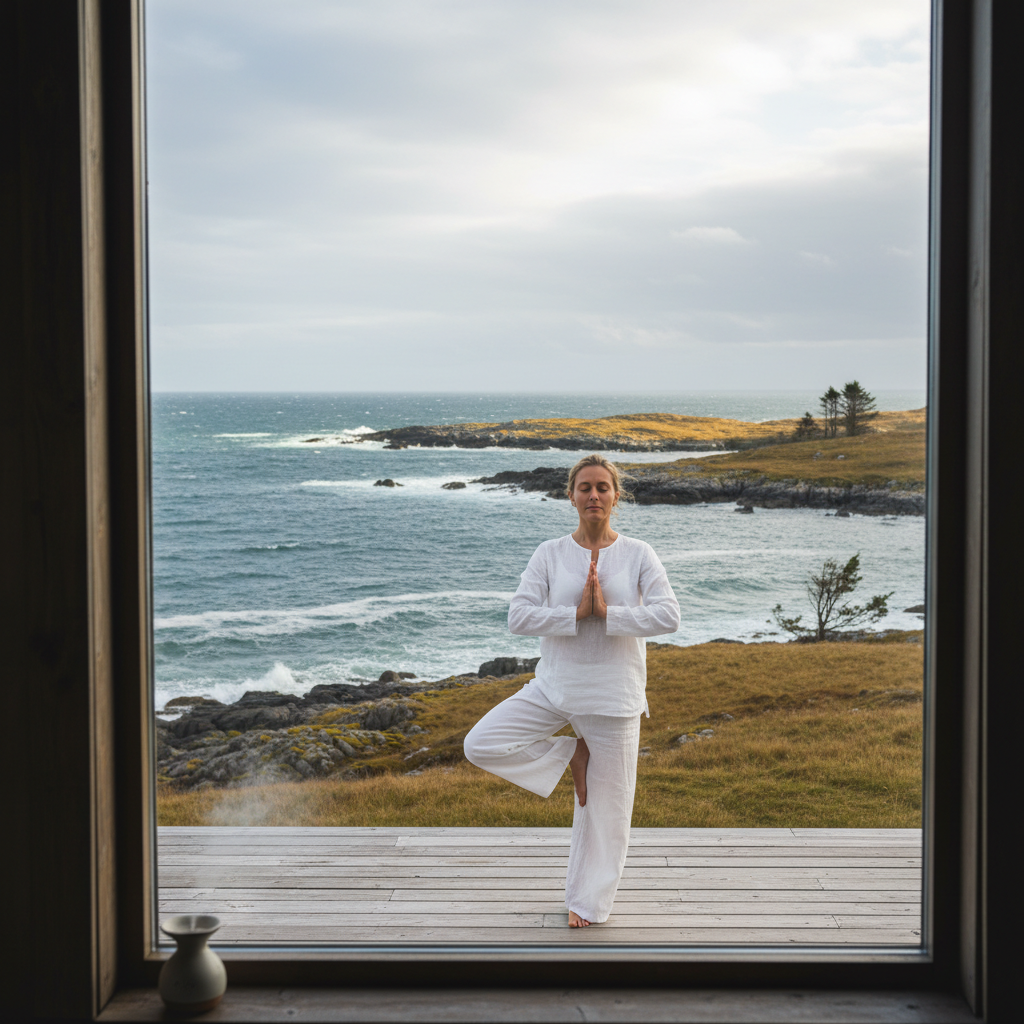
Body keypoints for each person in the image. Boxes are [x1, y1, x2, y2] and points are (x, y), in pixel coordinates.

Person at [463, 454, 680, 927]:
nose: (594, 495)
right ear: (571, 495)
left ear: (616, 496)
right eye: (585, 487)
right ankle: (570, 755)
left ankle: (587, 903)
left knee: (607, 811)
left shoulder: (639, 554)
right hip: (555, 686)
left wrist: (609, 615)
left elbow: (669, 615)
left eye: (603, 487)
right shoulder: (550, 553)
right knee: (480, 743)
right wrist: (575, 615)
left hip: (614, 695)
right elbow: (518, 616)